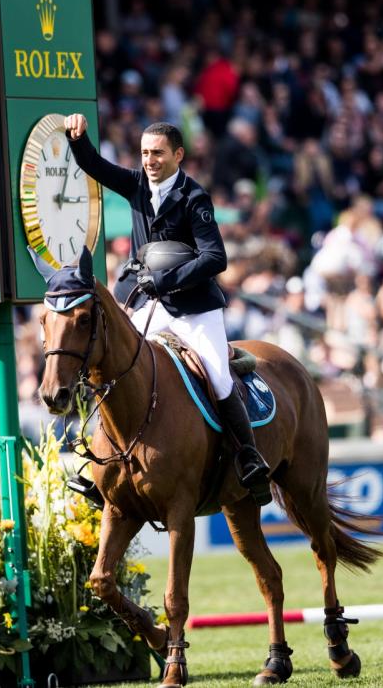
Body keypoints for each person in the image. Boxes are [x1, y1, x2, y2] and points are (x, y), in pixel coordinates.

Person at [64, 113, 272, 505]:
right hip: (152, 304)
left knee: (218, 374)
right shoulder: (136, 184)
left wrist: (166, 280)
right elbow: (95, 166)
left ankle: (248, 456)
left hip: (195, 308)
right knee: (115, 363)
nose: (149, 160)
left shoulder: (195, 198)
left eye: (157, 153)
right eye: (144, 153)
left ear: (178, 154)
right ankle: (102, 466)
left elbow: (216, 258)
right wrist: (77, 140)